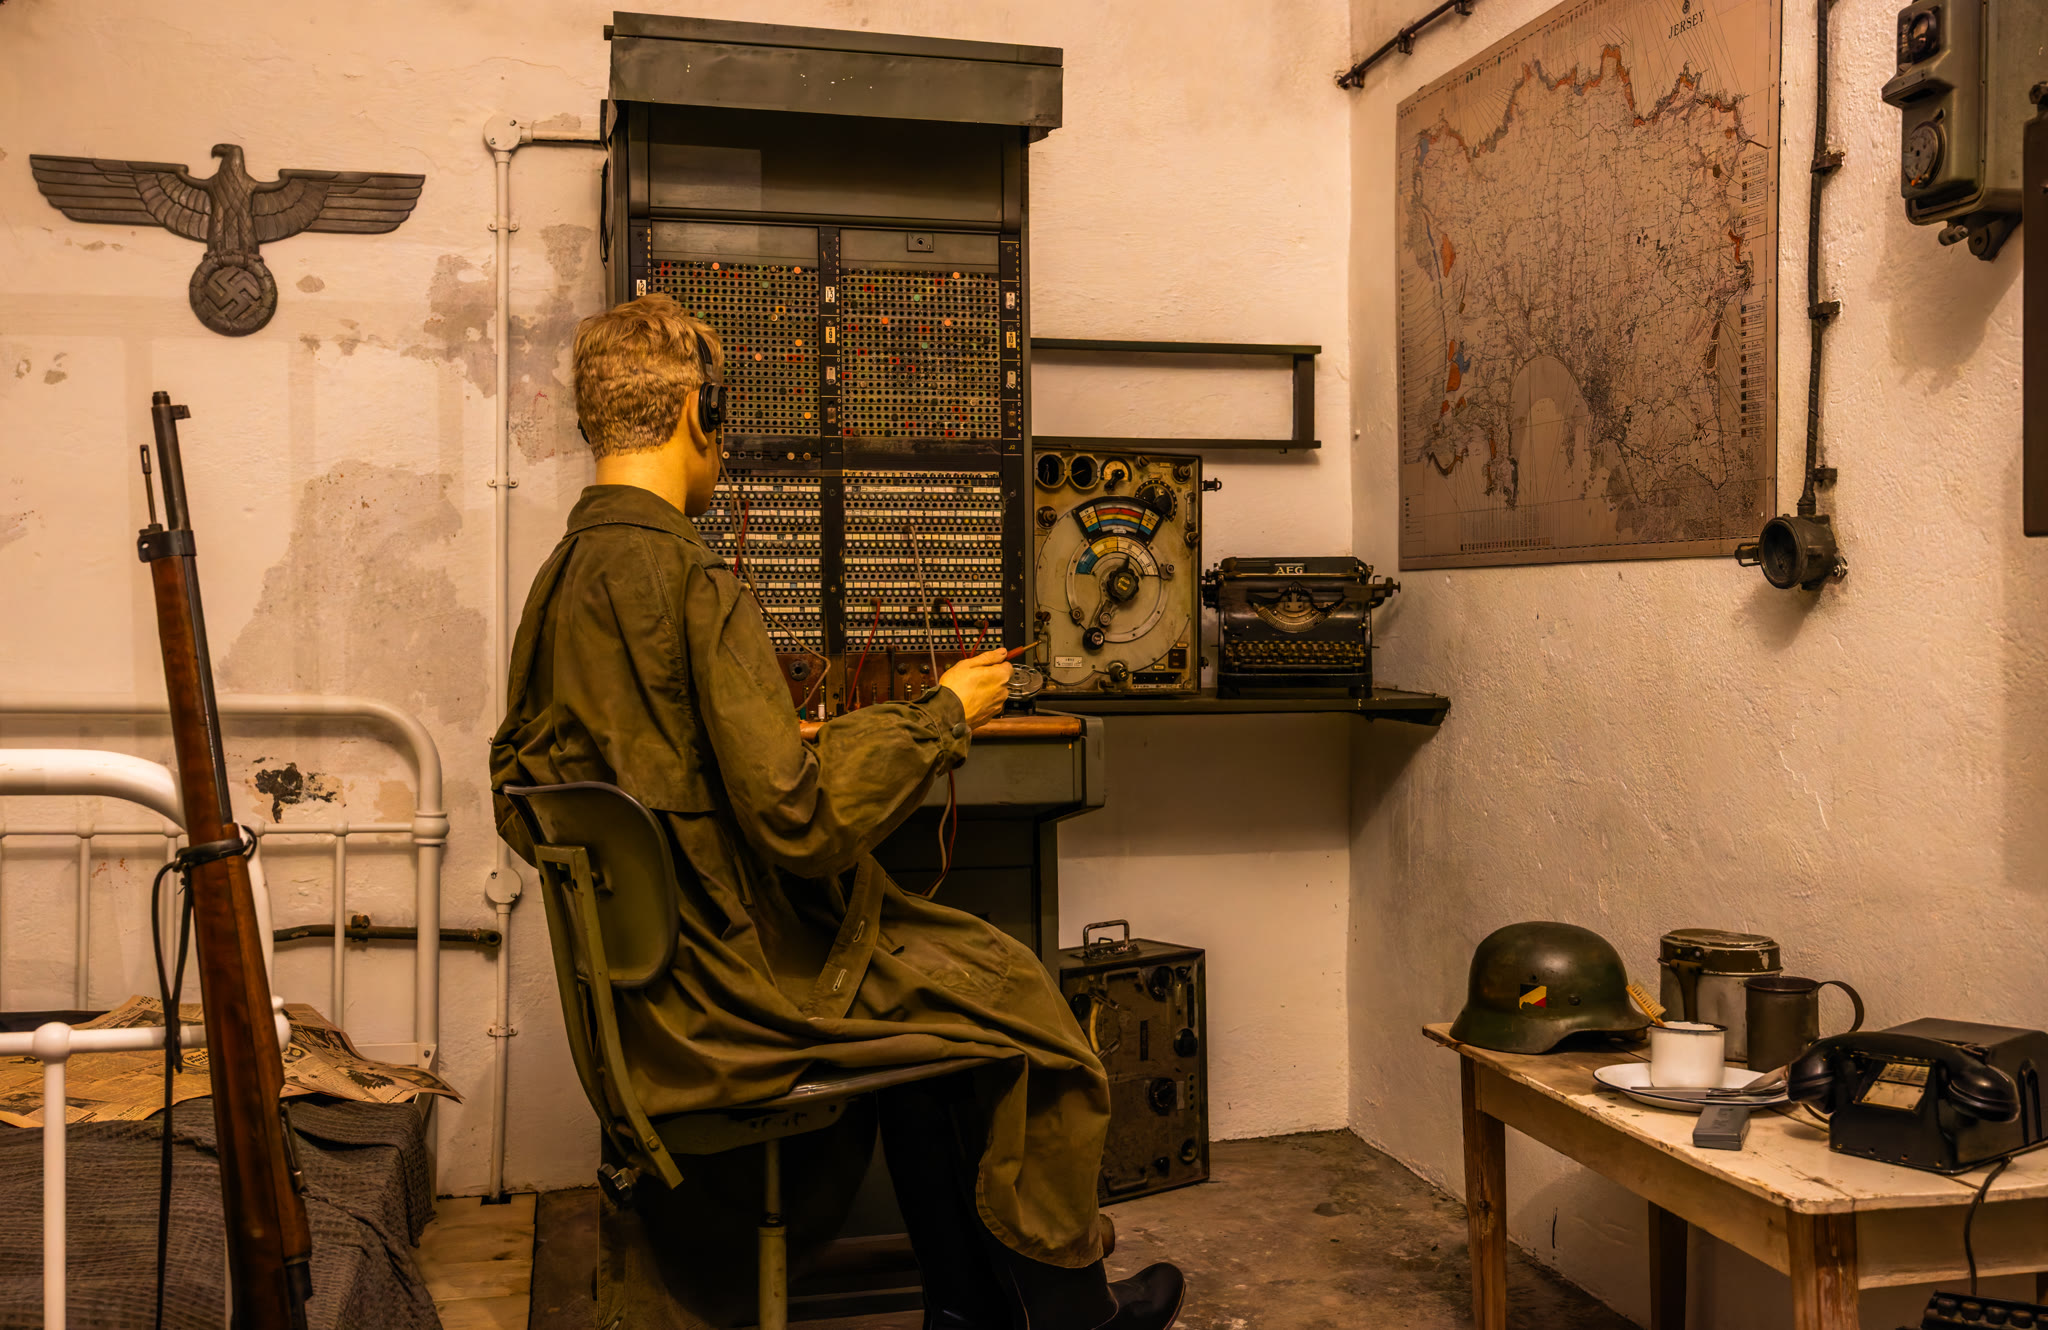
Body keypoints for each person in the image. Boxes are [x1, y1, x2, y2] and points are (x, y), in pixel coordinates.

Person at [489, 293, 1184, 1330]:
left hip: (650, 999)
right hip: (737, 997)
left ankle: (967, 1310)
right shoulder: (691, 581)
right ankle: (1069, 1311)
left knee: (943, 1015)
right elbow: (801, 825)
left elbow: (588, 777)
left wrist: (777, 743)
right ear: (700, 415)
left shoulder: (560, 582)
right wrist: (943, 713)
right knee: (1009, 992)